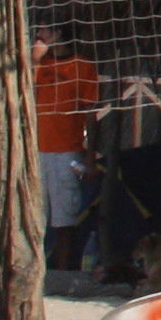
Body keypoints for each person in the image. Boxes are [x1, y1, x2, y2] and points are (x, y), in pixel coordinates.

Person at [33, 33, 101, 275]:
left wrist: (90, 156)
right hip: (35, 151)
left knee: (65, 216)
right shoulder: (37, 65)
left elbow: (91, 114)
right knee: (33, 215)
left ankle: (62, 268)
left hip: (66, 150)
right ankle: (34, 268)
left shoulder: (82, 65)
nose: (38, 39)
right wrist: (34, 60)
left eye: (43, 35)